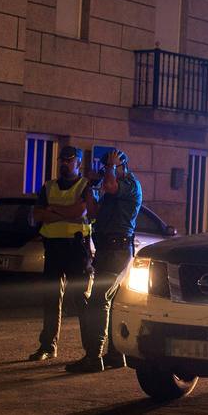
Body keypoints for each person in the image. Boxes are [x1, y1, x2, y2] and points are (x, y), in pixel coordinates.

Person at [67, 148, 142, 373]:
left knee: (98, 300)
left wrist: (109, 168)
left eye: (112, 167)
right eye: (107, 167)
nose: (108, 171)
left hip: (118, 251)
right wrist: (90, 186)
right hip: (105, 250)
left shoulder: (130, 184)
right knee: (111, 303)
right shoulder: (112, 189)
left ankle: (93, 356)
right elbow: (92, 212)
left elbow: (111, 185)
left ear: (122, 167)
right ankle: (115, 354)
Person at [28, 146, 96, 362]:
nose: (65, 163)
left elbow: (80, 212)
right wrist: (64, 213)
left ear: (78, 163)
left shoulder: (86, 185)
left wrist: (53, 210)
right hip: (54, 248)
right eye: (62, 160)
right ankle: (48, 346)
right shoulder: (48, 186)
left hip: (77, 248)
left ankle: (91, 351)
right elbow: (38, 214)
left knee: (82, 299)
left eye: (70, 160)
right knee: (51, 298)